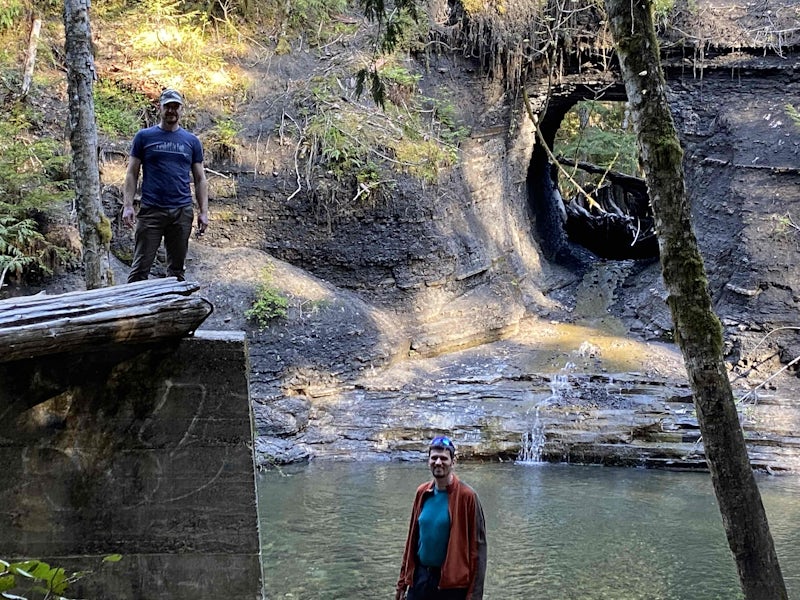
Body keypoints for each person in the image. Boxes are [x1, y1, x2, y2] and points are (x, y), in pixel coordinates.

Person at [122, 89, 208, 283]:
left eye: (175, 107)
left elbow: (200, 178)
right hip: (151, 210)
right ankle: (133, 302)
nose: (171, 111)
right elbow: (132, 173)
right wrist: (128, 206)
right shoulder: (144, 137)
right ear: (159, 107)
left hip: (181, 212)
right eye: (167, 106)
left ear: (181, 110)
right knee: (139, 270)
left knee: (177, 272)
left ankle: (175, 303)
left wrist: (203, 212)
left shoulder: (191, 141)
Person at [395, 436, 487, 600]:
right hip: (420, 579)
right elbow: (411, 540)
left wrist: (474, 595)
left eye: (444, 458)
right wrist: (403, 581)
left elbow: (478, 550)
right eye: (434, 458)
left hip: (452, 586)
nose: (438, 462)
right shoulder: (422, 492)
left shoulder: (467, 497)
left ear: (453, 462)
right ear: (428, 461)